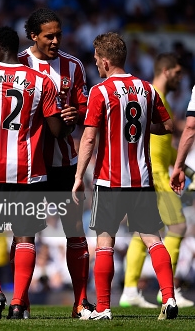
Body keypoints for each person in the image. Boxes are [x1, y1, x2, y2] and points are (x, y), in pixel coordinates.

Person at [72, 32, 177, 320]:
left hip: (109, 181)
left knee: (105, 242)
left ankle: (104, 308)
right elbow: (167, 126)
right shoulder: (146, 89)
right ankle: (168, 297)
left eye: (95, 59)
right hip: (141, 181)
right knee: (153, 239)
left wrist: (79, 176)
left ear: (105, 61)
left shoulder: (100, 91)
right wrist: (143, 131)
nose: (94, 64)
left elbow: (89, 139)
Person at [0, 26, 68, 320]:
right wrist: (68, 118)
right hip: (29, 172)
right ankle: (16, 304)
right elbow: (56, 131)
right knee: (24, 238)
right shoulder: (41, 82)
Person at [18, 8, 93, 318]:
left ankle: (80, 302)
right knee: (25, 233)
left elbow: (86, 109)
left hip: (64, 163)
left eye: (59, 34)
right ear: (33, 35)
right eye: (49, 35)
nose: (56, 40)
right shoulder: (18, 64)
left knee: (74, 230)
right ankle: (20, 301)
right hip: (29, 163)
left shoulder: (73, 66)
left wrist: (77, 114)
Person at [120, 53, 194, 309]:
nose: (180, 78)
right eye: (177, 73)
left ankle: (130, 290)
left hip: (153, 172)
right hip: (155, 174)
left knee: (144, 234)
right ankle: (167, 290)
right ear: (166, 71)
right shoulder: (152, 97)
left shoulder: (157, 98)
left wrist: (188, 169)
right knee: (178, 228)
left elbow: (164, 147)